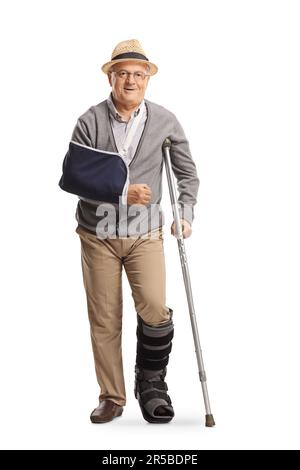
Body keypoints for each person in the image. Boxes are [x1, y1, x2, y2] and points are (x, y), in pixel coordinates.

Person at [69, 39, 199, 424]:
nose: (130, 80)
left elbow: (186, 172)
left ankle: (152, 382)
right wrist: (123, 192)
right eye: (122, 73)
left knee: (155, 308)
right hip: (98, 234)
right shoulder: (90, 120)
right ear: (111, 77)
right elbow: (73, 176)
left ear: (147, 80)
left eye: (138, 75)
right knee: (105, 318)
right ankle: (112, 396)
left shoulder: (165, 121)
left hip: (145, 234)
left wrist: (185, 212)